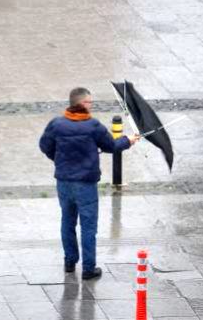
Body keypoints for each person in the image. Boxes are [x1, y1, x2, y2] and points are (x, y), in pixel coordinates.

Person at [39, 87, 139, 279]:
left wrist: (59, 160)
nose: (91, 106)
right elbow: (111, 146)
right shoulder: (93, 126)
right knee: (88, 226)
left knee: (67, 221)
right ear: (82, 104)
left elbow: (45, 146)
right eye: (90, 103)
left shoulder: (56, 125)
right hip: (86, 184)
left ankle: (69, 262)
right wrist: (128, 140)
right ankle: (88, 268)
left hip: (64, 182)